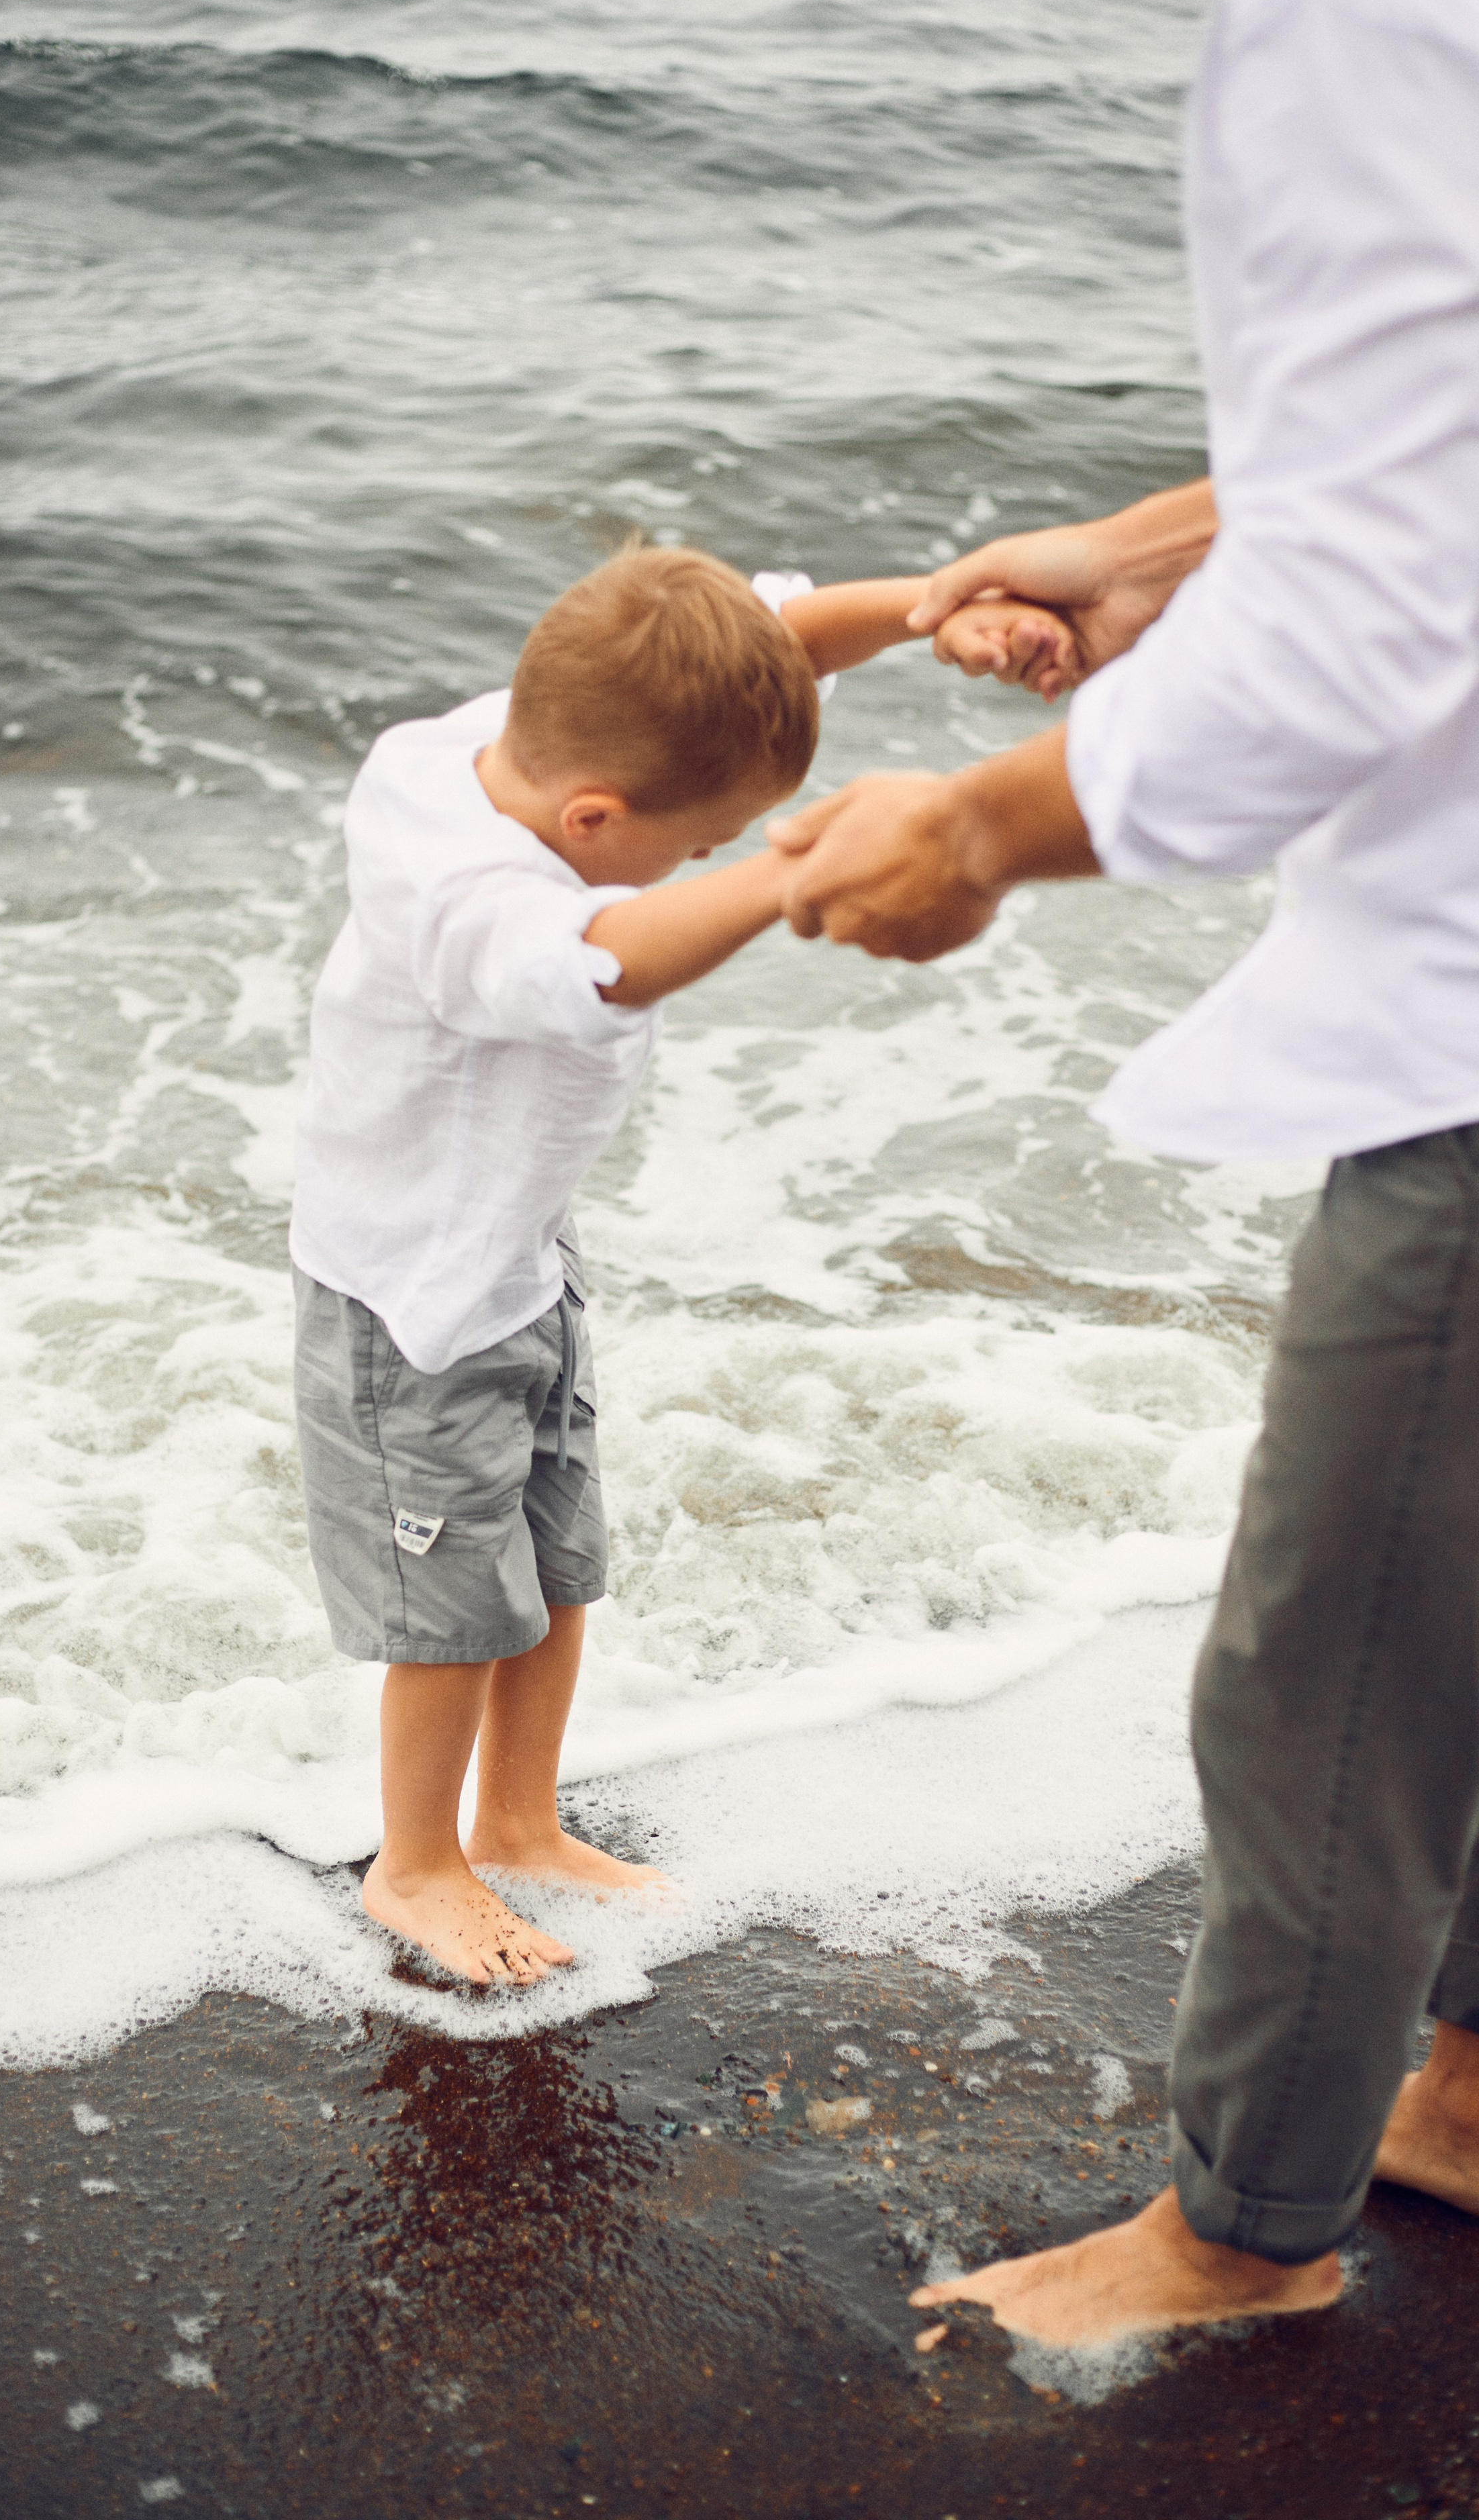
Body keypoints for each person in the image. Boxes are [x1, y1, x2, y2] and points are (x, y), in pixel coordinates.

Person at [772, 0, 1479, 2347]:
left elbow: (1361, 618)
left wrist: (986, 830)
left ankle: (1244, 2237)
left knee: (1335, 1664)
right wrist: (1155, 551)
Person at [290, 541, 1049, 1988]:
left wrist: (929, 608)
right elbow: (610, 959)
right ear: (593, 817)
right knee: (451, 1614)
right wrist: (790, 873)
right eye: (697, 845)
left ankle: (518, 1823)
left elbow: (771, 640)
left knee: (557, 1563)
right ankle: (416, 1864)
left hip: (519, 1262)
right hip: (411, 1308)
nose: (702, 863)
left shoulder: (507, 741)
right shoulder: (457, 894)